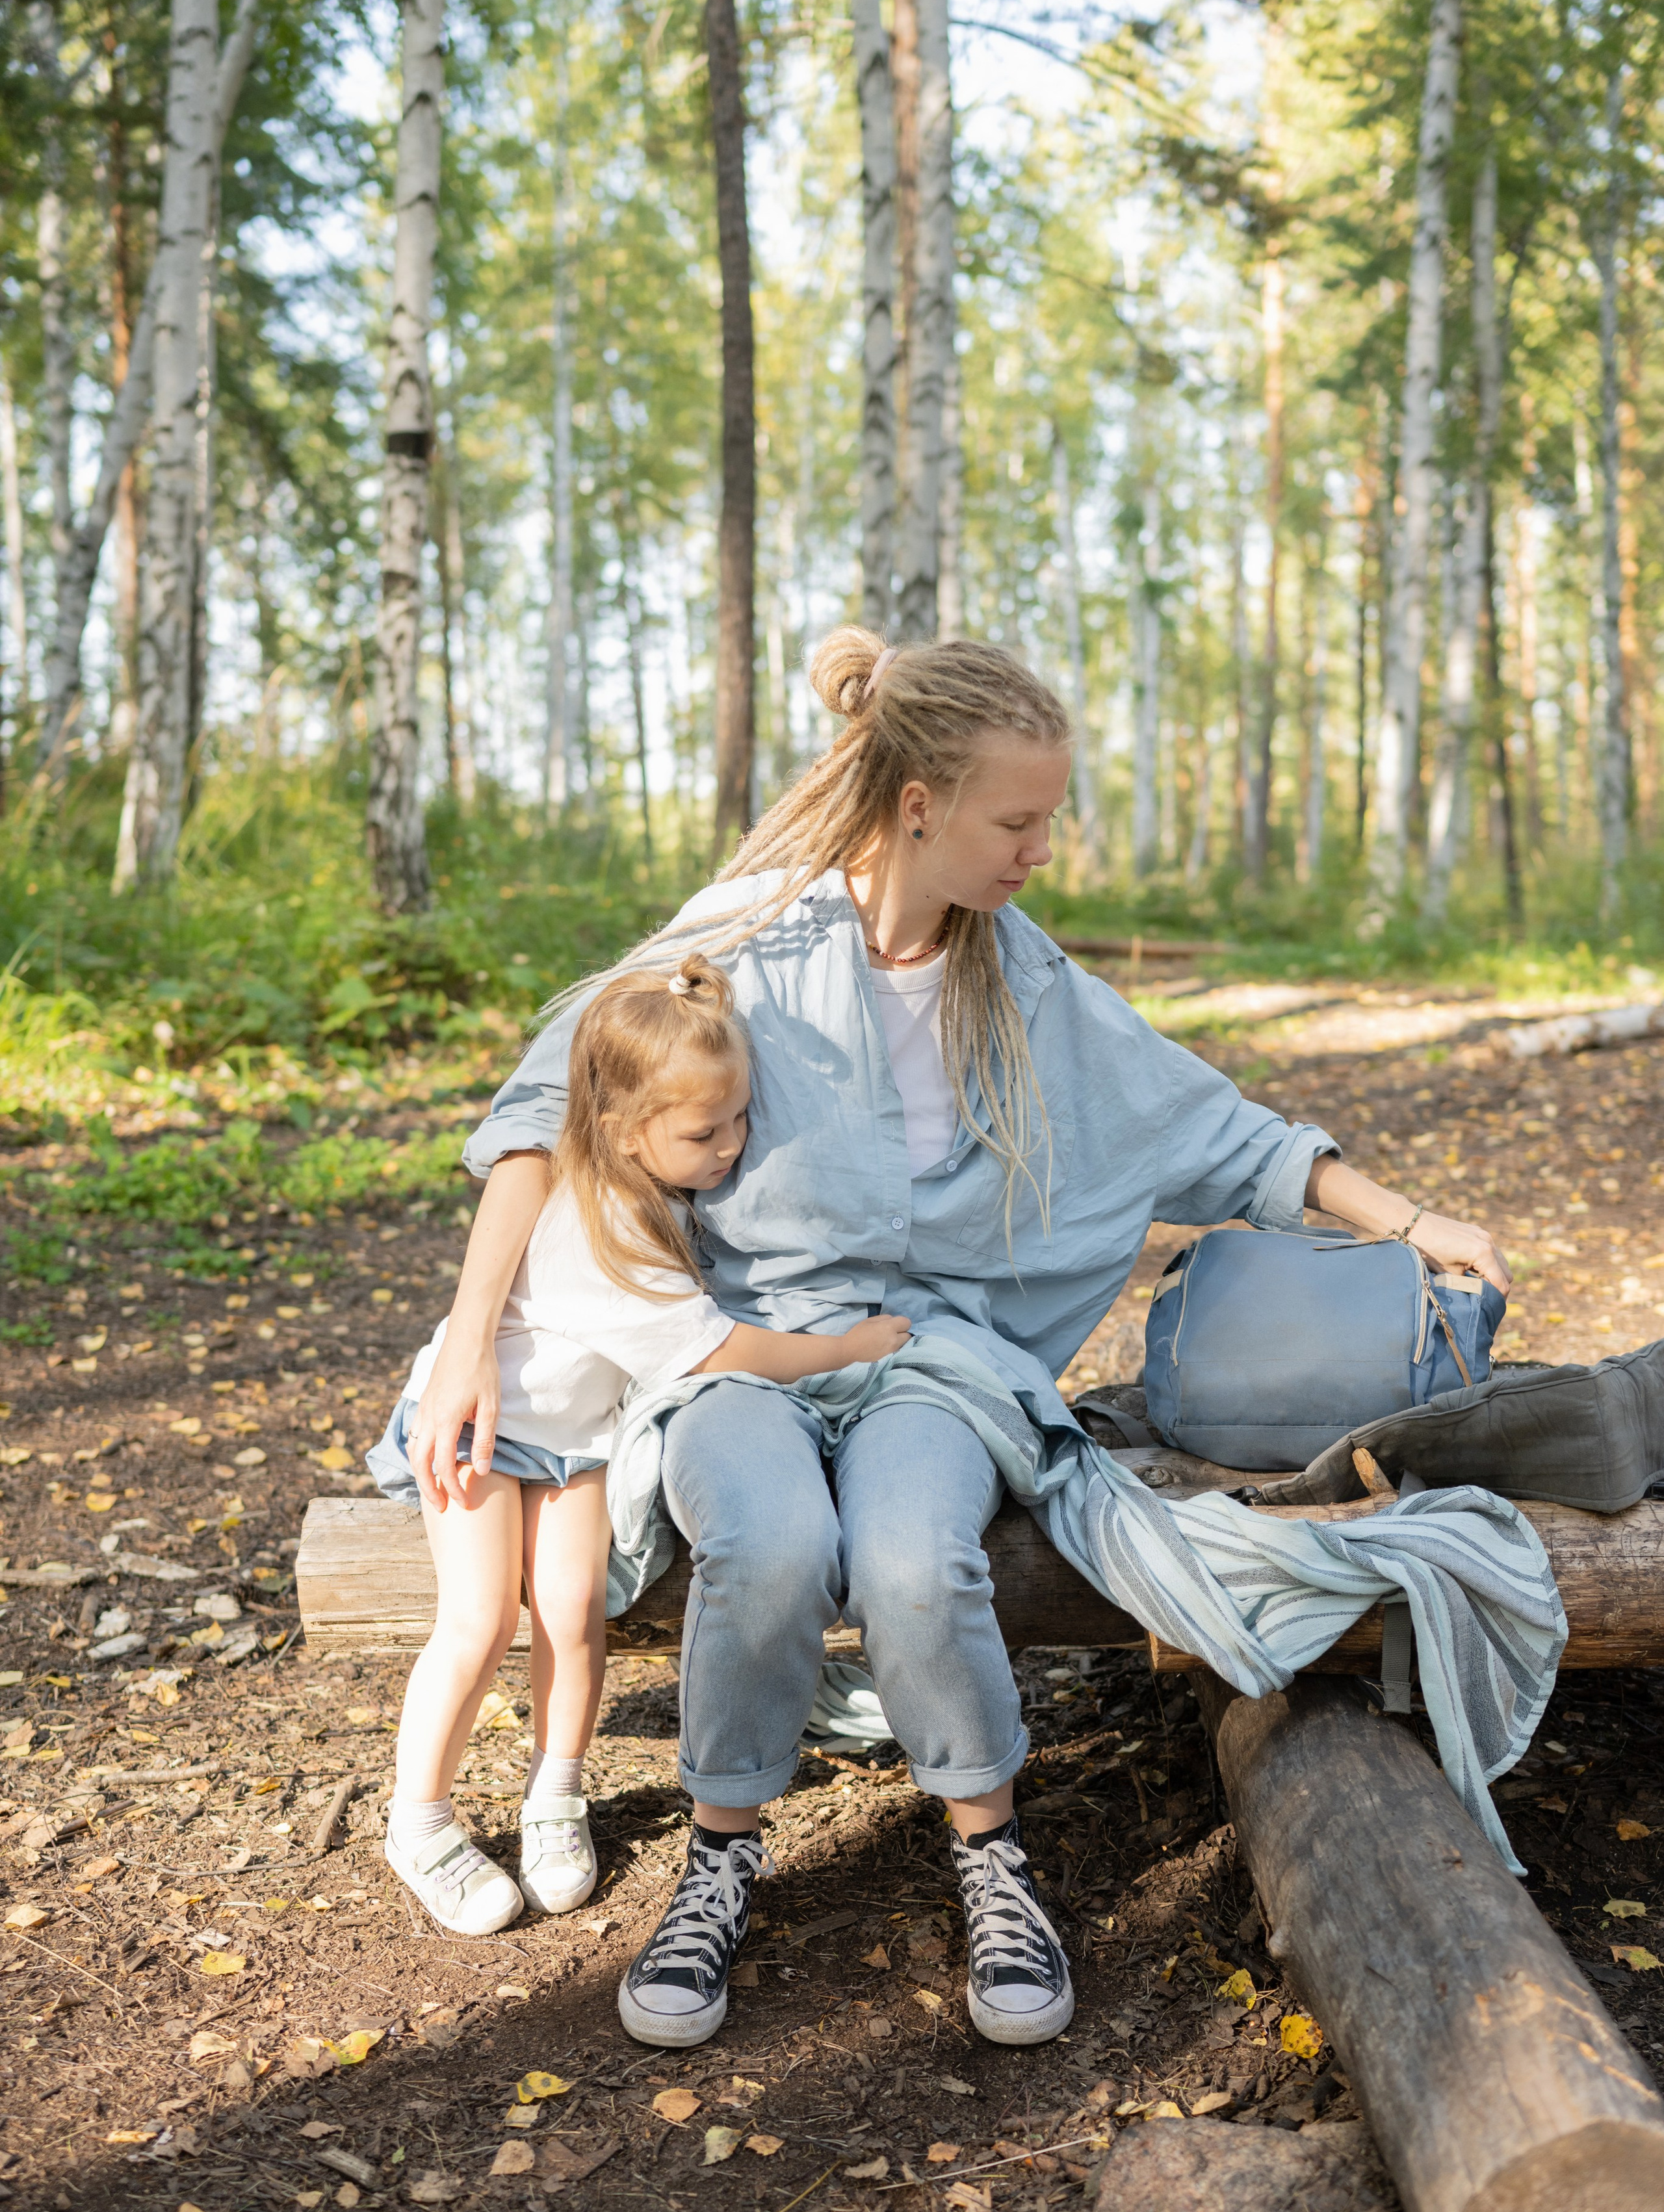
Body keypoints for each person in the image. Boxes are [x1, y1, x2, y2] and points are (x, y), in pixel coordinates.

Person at [409, 626, 1511, 2037]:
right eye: (1016, 819)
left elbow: (1217, 1128)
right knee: (769, 1544)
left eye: (1047, 818)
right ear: (917, 805)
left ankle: (991, 1858)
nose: (1038, 849)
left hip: (930, 1361)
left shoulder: (1026, 980)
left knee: (913, 1558)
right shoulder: (746, 933)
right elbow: (537, 1122)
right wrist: (463, 1338)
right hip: (745, 1353)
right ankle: (718, 1860)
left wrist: (1409, 1220)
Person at [366, 953, 911, 1937]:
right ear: (622, 1131)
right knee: (482, 1617)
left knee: (574, 1609)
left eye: (741, 1119)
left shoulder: (645, 1183)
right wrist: (844, 1347)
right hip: (487, 1427)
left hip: (574, 1441)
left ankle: (555, 1793)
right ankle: (419, 1819)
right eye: (706, 1132)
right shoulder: (596, 1221)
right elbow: (714, 1349)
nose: (733, 1148)